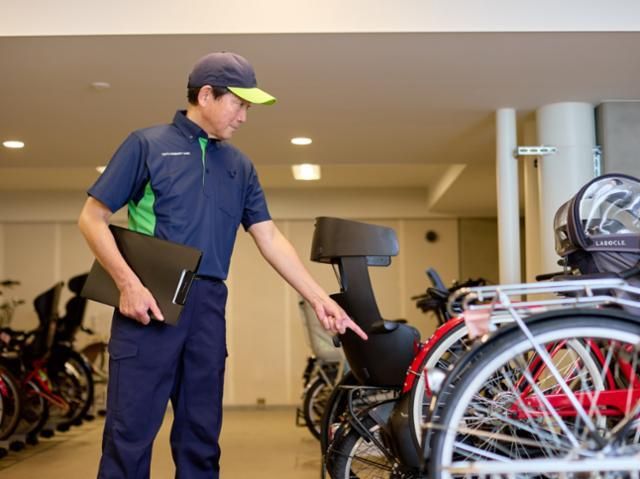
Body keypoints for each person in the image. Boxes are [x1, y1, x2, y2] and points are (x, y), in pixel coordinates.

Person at [78, 51, 367, 479]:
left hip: (208, 304)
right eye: (239, 103)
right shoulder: (147, 145)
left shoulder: (240, 166)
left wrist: (320, 298)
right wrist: (127, 284)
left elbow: (269, 237)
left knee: (201, 439)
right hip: (149, 303)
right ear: (206, 95)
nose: (244, 117)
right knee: (129, 437)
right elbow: (92, 218)